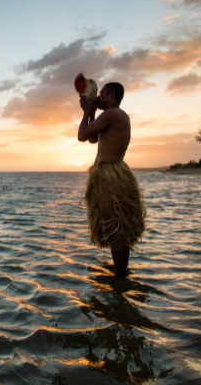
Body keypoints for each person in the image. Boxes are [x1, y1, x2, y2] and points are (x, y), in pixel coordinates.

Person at [77, 82, 146, 275]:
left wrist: (85, 112)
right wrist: (91, 112)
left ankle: (120, 279)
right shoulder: (117, 116)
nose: (98, 98)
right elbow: (93, 139)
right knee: (115, 227)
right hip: (112, 173)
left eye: (102, 95)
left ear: (112, 96)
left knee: (114, 228)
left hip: (109, 176)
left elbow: (82, 135)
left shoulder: (111, 114)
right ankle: (120, 272)